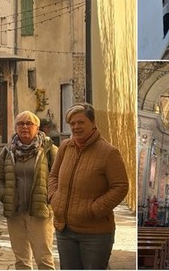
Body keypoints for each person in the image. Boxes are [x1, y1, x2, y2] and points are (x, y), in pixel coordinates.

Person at [47, 103, 128, 270]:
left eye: (81, 122)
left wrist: (94, 209)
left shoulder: (109, 152)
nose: (76, 127)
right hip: (64, 229)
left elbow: (120, 186)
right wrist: (54, 198)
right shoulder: (65, 147)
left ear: (92, 123)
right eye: (72, 123)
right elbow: (53, 175)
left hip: (95, 233)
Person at [0, 110, 57, 270]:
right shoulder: (8, 151)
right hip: (15, 212)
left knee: (44, 259)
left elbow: (59, 178)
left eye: (29, 123)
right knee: (21, 260)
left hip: (40, 212)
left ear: (37, 128)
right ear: (15, 127)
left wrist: (50, 198)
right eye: (21, 123)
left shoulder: (49, 150)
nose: (25, 127)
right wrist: (5, 195)